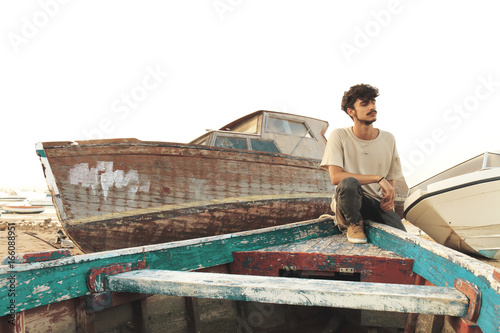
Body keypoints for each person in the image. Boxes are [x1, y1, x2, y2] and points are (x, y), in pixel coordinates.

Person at [320, 83, 406, 244]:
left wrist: (389, 199)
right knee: (348, 183)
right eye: (364, 104)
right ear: (351, 112)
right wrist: (378, 178)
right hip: (351, 200)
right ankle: (352, 223)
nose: (372, 107)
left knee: (405, 242)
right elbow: (335, 177)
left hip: (377, 204)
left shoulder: (388, 138)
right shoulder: (339, 135)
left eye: (373, 102)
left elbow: (390, 178)